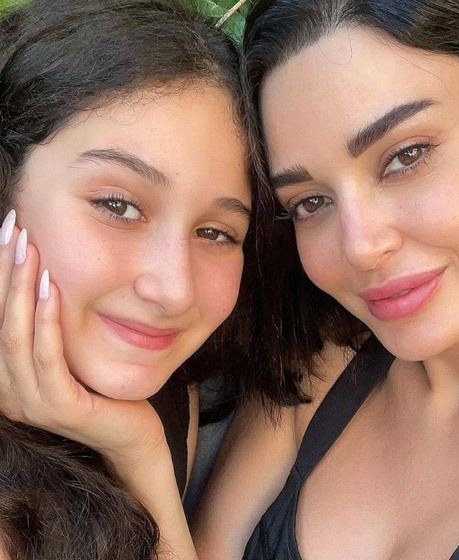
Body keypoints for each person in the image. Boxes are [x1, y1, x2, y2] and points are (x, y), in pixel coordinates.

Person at [193, 0, 459, 558]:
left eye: (406, 156)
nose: (361, 248)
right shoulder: (324, 367)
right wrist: (138, 454)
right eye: (311, 202)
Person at [0, 0, 259, 557]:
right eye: (118, 206)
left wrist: (140, 453)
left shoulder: (164, 396)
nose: (174, 291)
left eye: (215, 233)